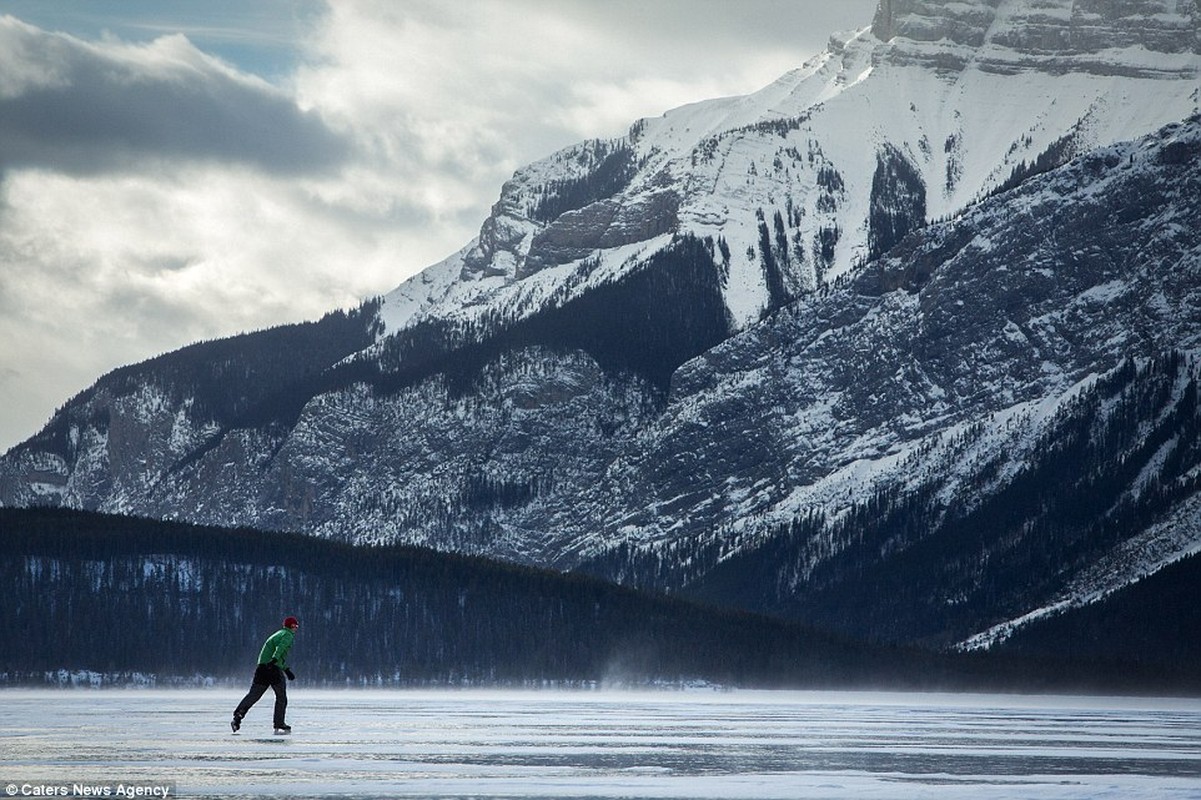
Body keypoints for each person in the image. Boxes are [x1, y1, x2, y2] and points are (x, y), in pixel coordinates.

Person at [232, 616, 299, 734]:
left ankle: (238, 715)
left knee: (254, 695)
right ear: (290, 626)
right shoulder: (287, 635)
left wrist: (286, 669)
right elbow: (280, 648)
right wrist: (274, 660)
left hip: (262, 668)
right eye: (294, 626)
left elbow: (275, 654)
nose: (295, 629)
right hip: (272, 669)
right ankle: (279, 723)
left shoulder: (278, 634)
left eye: (296, 626)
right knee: (281, 697)